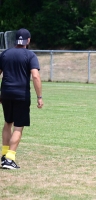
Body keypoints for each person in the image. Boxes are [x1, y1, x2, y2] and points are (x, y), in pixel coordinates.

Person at [0, 28, 43, 169]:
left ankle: (4, 155)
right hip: (21, 95)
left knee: (7, 123)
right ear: (28, 40)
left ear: (15, 40)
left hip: (5, 93)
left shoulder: (5, 54)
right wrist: (39, 97)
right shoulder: (30, 55)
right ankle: (10, 159)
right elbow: (35, 76)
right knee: (18, 126)